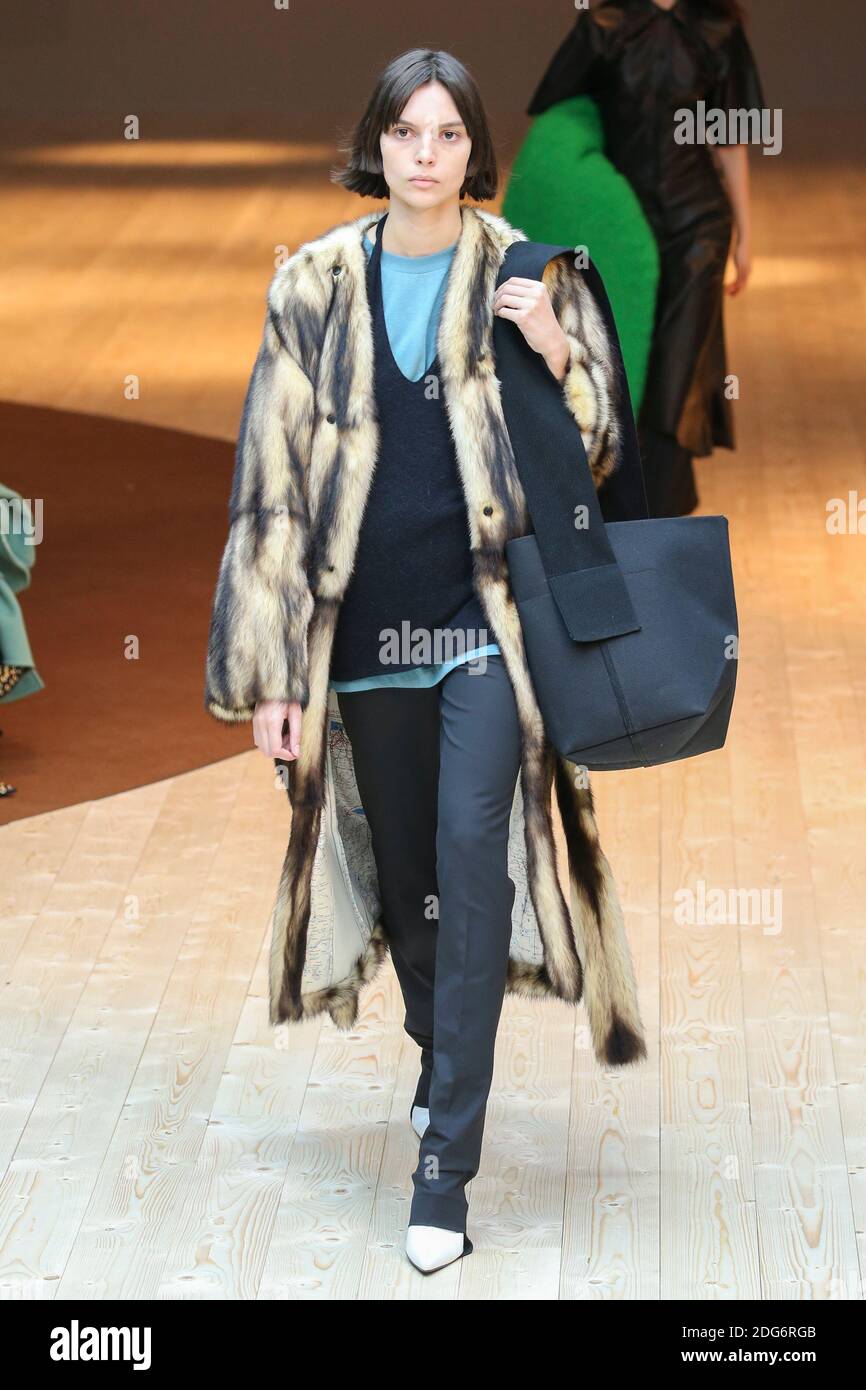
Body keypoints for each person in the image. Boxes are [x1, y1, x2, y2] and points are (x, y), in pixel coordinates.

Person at [204, 47, 648, 1276]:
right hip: (359, 649)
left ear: (473, 151)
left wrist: (555, 348)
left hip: (480, 637)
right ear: (377, 144)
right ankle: (437, 1052)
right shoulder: (310, 288)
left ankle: (444, 1164)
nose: (426, 153)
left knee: (470, 851)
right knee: (408, 885)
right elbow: (271, 496)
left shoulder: (521, 271)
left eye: (449, 133)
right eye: (406, 131)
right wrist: (270, 678)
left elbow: (600, 446)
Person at [526, 0, 766, 516]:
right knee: (625, 363)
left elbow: (729, 140)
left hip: (698, 224)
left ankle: (661, 517)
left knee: (678, 369)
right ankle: (622, 507)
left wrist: (744, 233)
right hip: (623, 226)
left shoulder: (717, 26)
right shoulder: (604, 22)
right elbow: (561, 118)